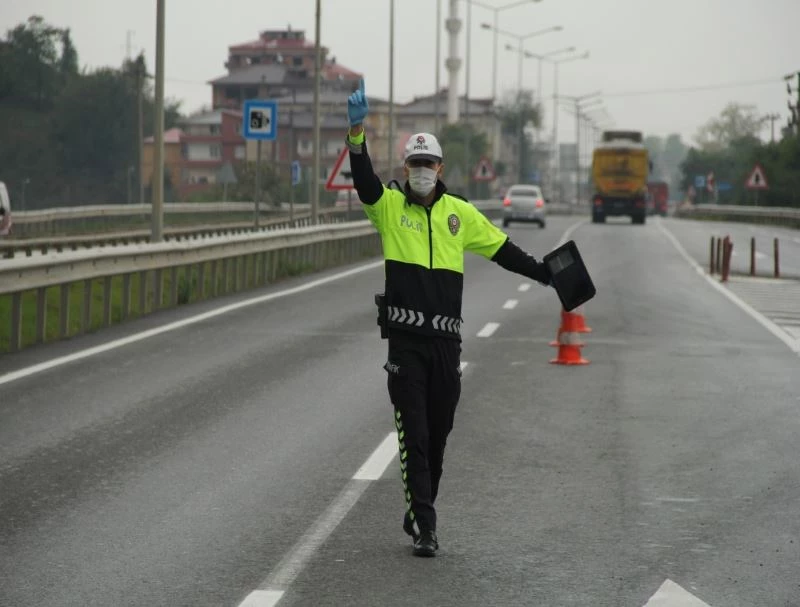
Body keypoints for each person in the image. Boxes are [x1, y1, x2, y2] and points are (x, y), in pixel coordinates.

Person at [346, 79, 552, 557]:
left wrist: (544, 274)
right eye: (414, 163)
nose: (421, 171)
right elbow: (363, 181)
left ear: (440, 168)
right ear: (406, 167)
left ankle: (420, 507)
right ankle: (426, 528)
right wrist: (357, 133)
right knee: (413, 435)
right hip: (405, 347)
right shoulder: (389, 208)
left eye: (428, 164)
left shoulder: (460, 214)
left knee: (438, 435)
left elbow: (503, 249)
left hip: (446, 348)